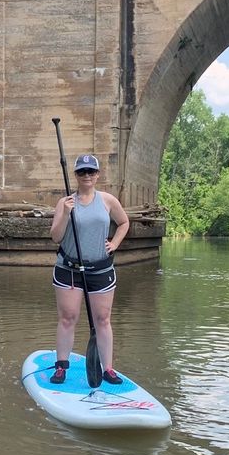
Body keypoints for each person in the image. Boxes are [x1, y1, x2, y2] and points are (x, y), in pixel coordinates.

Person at [49, 154, 130, 385]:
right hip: (69, 270)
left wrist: (114, 243)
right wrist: (65, 213)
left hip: (101, 271)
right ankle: (61, 367)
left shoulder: (107, 200)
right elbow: (56, 237)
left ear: (97, 175)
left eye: (91, 172)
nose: (87, 176)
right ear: (75, 175)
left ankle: (108, 369)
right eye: (82, 172)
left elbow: (124, 222)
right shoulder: (65, 203)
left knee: (103, 319)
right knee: (68, 318)